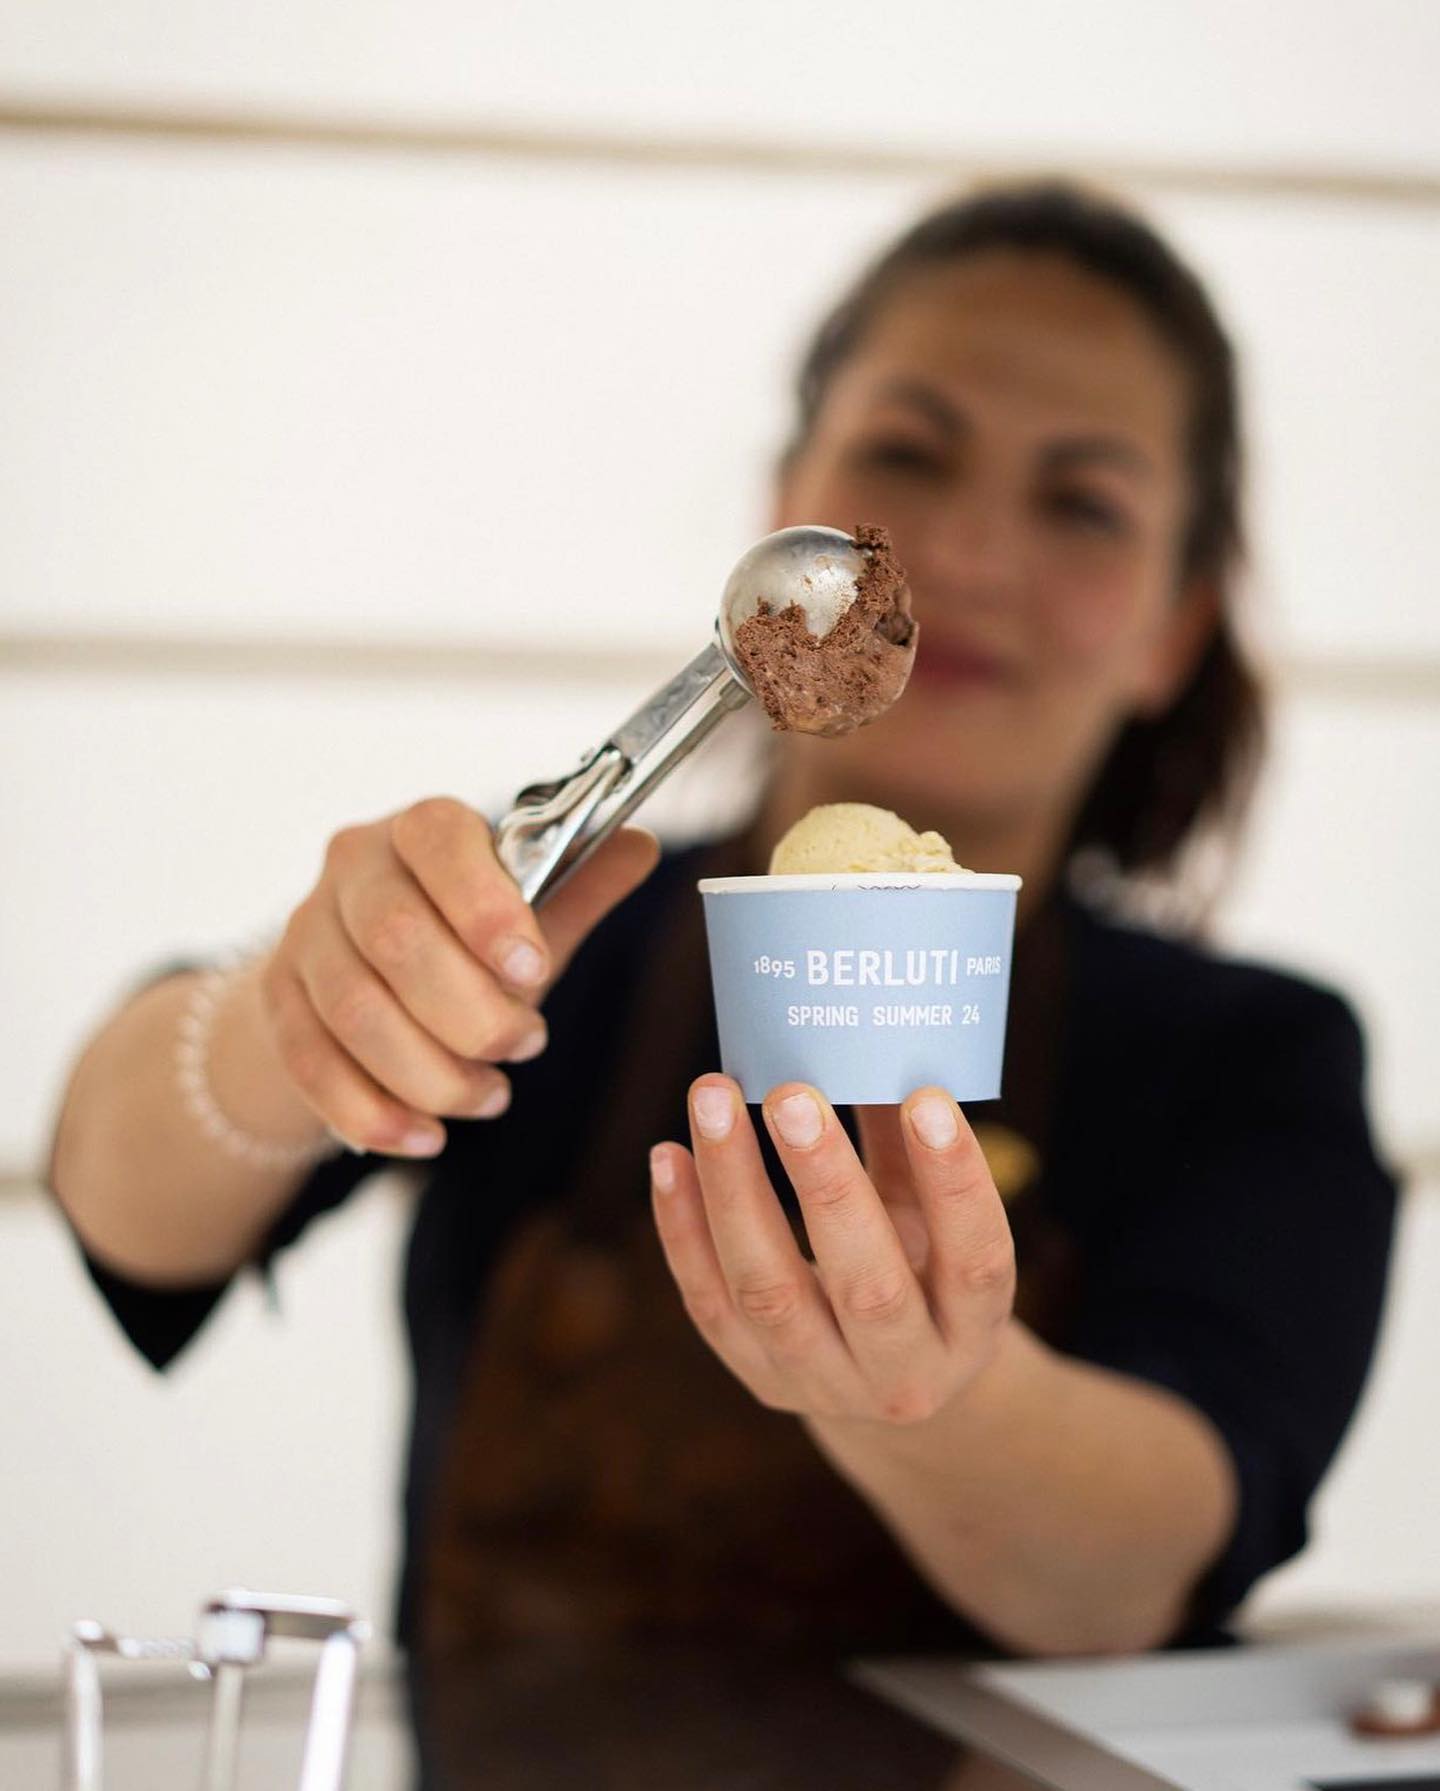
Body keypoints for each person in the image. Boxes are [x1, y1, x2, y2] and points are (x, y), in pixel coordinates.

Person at [49, 181, 1396, 1662]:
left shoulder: (1251, 1060)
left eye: (1082, 503)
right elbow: (124, 1205)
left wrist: (933, 1402)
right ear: (781, 511)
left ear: (1173, 629)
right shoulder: (571, 930)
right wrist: (288, 1027)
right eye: (907, 452)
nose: (966, 554)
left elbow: (1147, 1563)